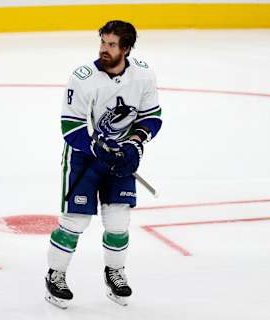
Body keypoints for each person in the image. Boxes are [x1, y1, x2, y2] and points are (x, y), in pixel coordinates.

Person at [45, 20, 162, 309]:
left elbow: (152, 117)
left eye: (111, 44)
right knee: (75, 221)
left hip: (120, 156)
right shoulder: (84, 78)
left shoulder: (144, 75)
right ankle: (55, 276)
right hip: (83, 157)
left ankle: (115, 274)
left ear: (126, 49)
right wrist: (97, 147)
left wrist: (134, 143)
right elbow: (70, 127)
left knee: (119, 223)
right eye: (103, 43)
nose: (104, 49)